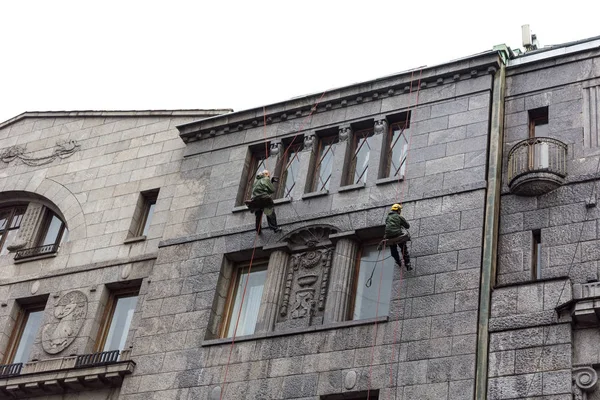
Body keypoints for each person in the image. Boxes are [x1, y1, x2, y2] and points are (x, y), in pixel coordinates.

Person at [384, 203, 412, 271]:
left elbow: (388, 224)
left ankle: (398, 261)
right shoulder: (399, 217)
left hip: (389, 236)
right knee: (403, 249)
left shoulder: (387, 217)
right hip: (397, 234)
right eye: (400, 210)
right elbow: (407, 226)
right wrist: (401, 224)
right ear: (398, 210)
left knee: (393, 250)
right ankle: (407, 264)